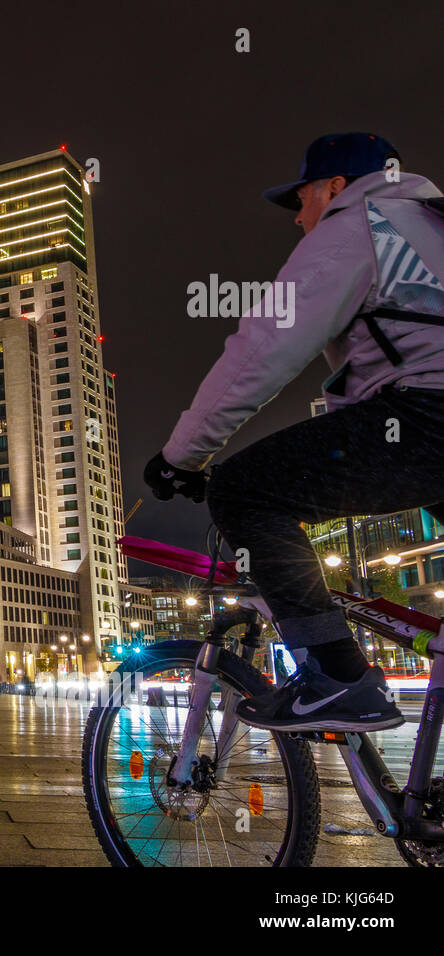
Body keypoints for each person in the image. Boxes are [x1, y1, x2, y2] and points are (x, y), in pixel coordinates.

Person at [146, 133, 444, 733]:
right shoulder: (431, 223)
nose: (301, 218)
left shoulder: (359, 224)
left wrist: (183, 456)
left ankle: (339, 679)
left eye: (303, 199)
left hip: (428, 417)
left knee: (244, 490)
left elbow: (263, 349)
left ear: (336, 186)